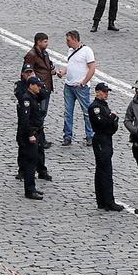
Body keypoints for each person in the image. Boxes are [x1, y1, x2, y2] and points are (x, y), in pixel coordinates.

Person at [88, 83, 125, 212]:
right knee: (105, 171)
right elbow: (102, 123)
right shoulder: (95, 107)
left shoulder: (104, 106)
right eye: (104, 92)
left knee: (102, 170)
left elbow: (113, 126)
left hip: (107, 138)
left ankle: (103, 201)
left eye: (107, 92)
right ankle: (108, 201)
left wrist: (112, 120)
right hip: (101, 140)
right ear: (98, 92)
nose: (106, 94)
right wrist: (112, 117)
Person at [56, 30, 96, 146]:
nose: (66, 43)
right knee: (68, 112)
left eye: (68, 40)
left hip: (81, 88)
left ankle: (90, 135)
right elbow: (70, 65)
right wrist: (63, 72)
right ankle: (67, 136)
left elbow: (92, 68)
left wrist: (84, 82)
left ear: (74, 39)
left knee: (87, 112)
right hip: (69, 86)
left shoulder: (87, 51)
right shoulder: (70, 51)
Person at [14, 66, 48, 200]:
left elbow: (44, 93)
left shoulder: (34, 97)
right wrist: (30, 134)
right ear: (31, 86)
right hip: (30, 134)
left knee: (34, 161)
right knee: (30, 162)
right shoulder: (26, 99)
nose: (39, 88)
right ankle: (29, 190)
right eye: (37, 86)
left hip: (36, 132)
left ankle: (32, 187)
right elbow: (24, 120)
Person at [22, 33, 56, 153]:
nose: (47, 44)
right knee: (38, 114)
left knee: (42, 113)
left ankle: (41, 138)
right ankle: (40, 138)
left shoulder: (44, 53)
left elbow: (46, 67)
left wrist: (51, 70)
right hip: (38, 90)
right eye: (45, 41)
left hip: (45, 89)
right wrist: (33, 84)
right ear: (38, 42)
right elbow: (26, 72)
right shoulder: (31, 55)